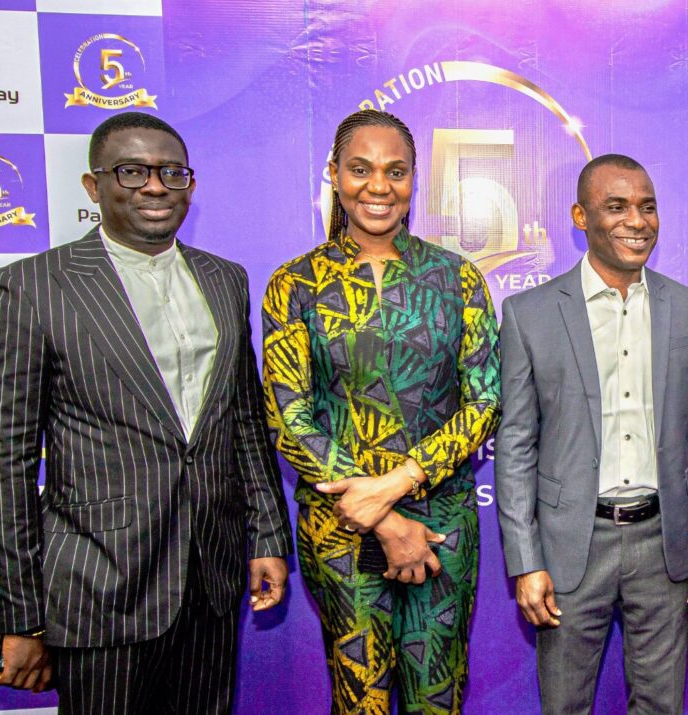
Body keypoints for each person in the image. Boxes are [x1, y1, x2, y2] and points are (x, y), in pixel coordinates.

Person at [0, 111, 292, 712]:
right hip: (99, 589)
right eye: (132, 171)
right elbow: (2, 465)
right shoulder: (30, 289)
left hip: (210, 578)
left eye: (171, 173)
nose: (154, 186)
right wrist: (21, 616)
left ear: (190, 186)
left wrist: (267, 536)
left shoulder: (224, 280)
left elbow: (244, 422)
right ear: (93, 186)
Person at [262, 108, 500, 714]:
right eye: (360, 169)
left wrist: (401, 481)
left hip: (442, 523)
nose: (378, 186)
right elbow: (288, 414)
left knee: (437, 698)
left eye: (395, 171)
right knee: (359, 700)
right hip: (340, 529)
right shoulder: (295, 284)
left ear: (414, 178)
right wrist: (383, 518)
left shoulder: (457, 278)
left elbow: (485, 400)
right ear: (334, 174)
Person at [495, 153, 688, 714]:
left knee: (661, 706)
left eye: (648, 207)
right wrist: (526, 560)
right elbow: (516, 446)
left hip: (665, 544)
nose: (637, 221)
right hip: (570, 544)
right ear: (581, 216)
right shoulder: (529, 314)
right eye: (617, 206)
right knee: (565, 705)